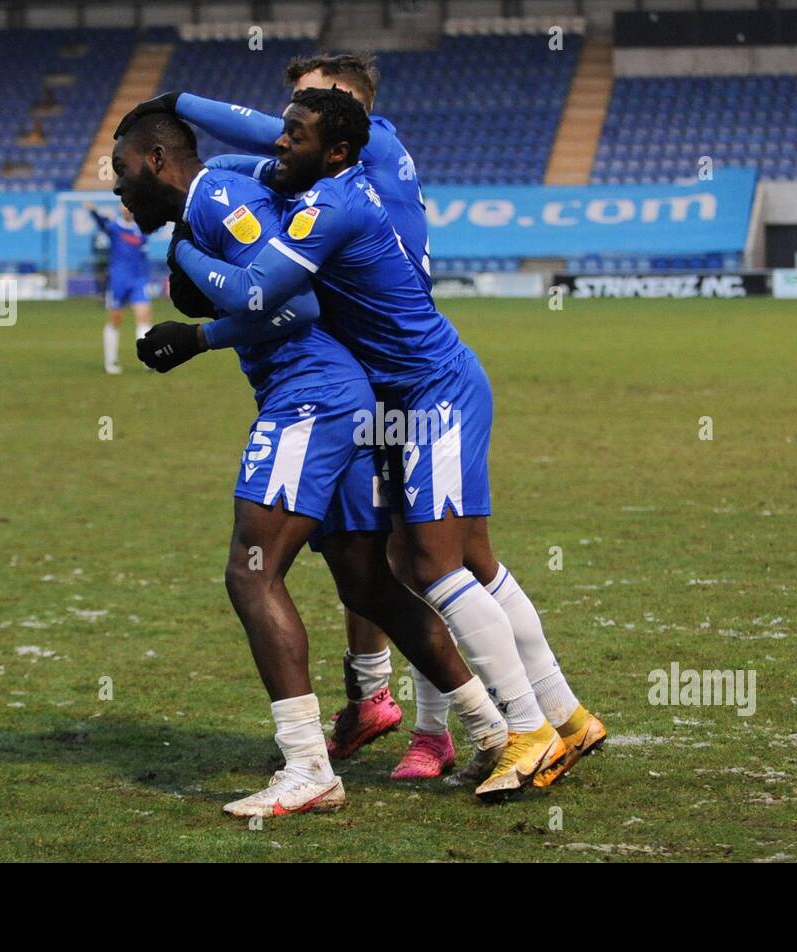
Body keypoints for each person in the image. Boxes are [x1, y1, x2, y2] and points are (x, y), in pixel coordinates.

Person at [159, 88, 594, 797]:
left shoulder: (331, 206)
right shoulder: (322, 183)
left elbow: (264, 294)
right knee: (425, 561)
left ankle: (529, 732)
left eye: (295, 134)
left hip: (435, 392)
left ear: (336, 148)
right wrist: (181, 112)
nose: (280, 144)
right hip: (402, 394)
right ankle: (560, 717)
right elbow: (247, 150)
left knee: (438, 566)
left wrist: (185, 253)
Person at [111, 111, 510, 814]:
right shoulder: (222, 195)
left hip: (311, 396)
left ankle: (307, 767)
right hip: (338, 394)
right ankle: (491, 726)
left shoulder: (215, 203)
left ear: (152, 159)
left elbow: (293, 306)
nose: (118, 192)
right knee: (367, 583)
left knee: (252, 571)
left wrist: (193, 305)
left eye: (119, 172)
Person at [85, 202, 152, 374]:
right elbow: (101, 223)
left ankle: (148, 361)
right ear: (121, 209)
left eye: (130, 206)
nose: (128, 209)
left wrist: (145, 278)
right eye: (125, 205)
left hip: (138, 281)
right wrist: (93, 211)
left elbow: (143, 257)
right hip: (118, 282)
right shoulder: (114, 227)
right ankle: (111, 361)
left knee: (143, 318)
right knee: (115, 320)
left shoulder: (141, 231)